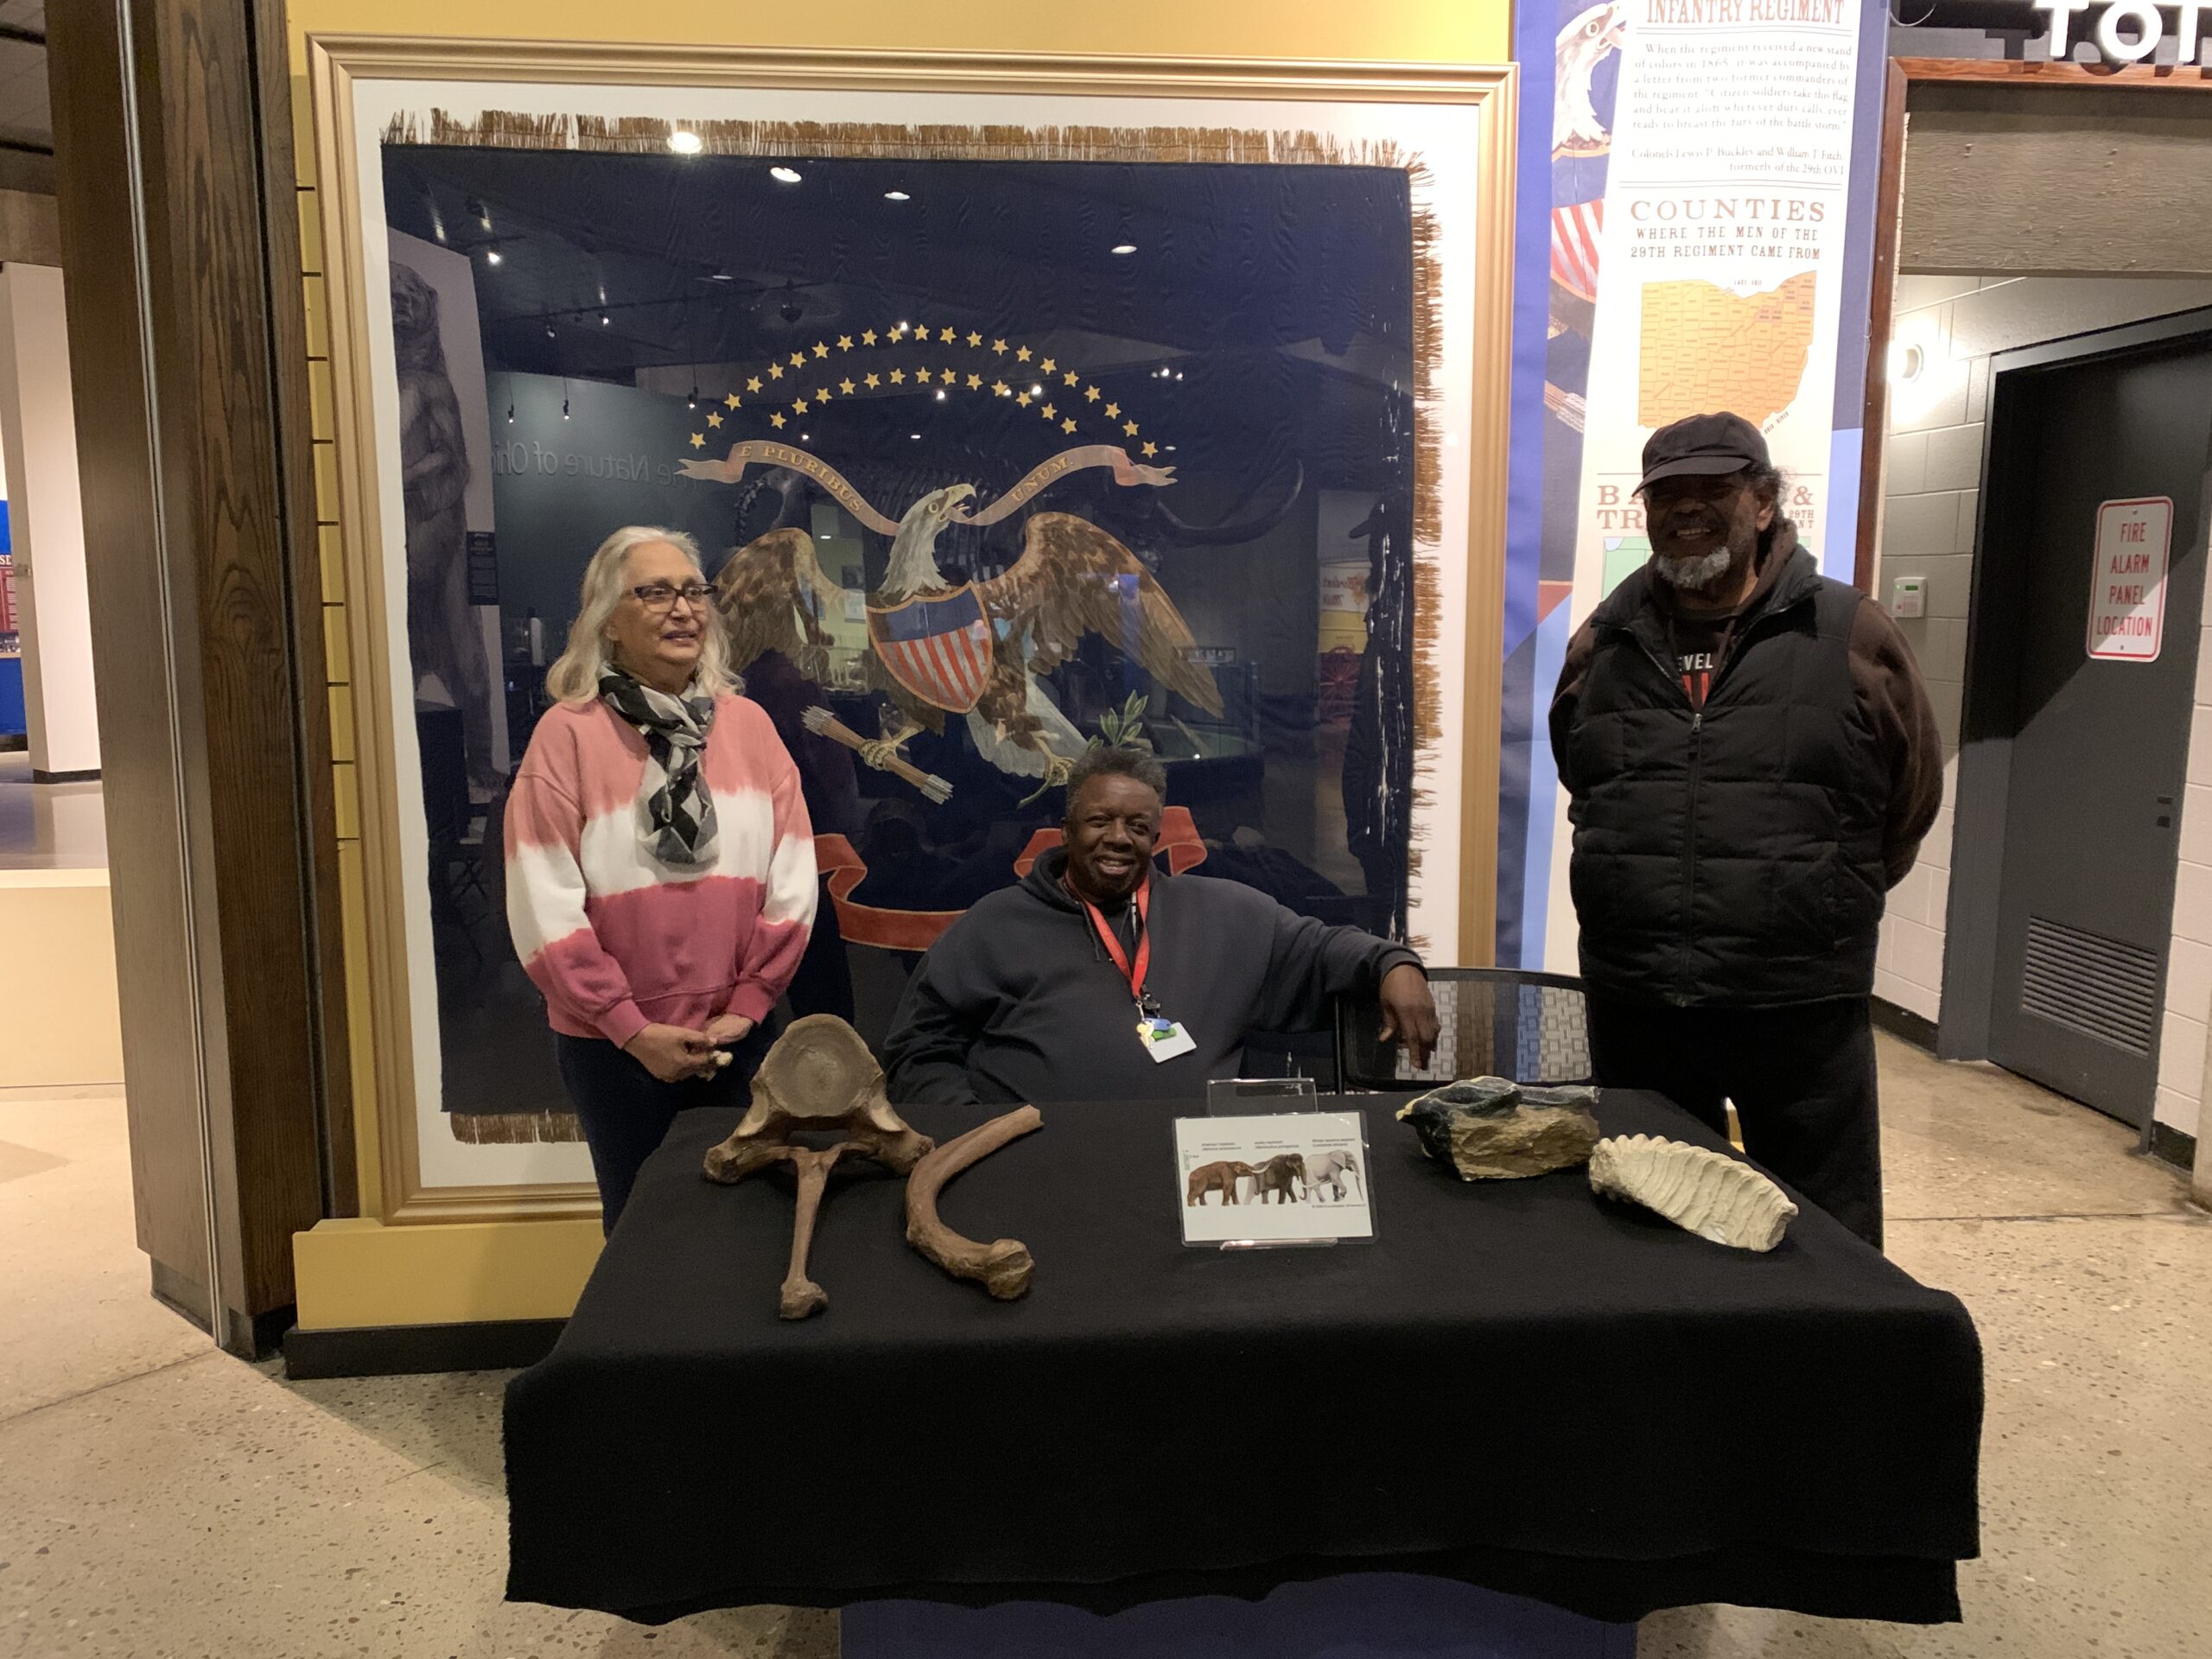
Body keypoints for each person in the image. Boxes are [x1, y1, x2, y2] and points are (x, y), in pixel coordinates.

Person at [1549, 411, 1942, 1248]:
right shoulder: (1602, 642)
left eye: (1713, 491)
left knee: (1825, 1234)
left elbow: (1906, 801)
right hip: (1640, 996)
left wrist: (1820, 897)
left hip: (1797, 1001)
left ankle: (1821, 1380)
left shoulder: (1848, 632)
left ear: (1763, 504)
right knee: (1646, 1225)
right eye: (1668, 494)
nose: (1687, 509)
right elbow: (1583, 779)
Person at [505, 526, 816, 1230]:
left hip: (741, 1035)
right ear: (608, 619)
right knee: (643, 1234)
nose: (684, 609)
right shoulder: (568, 735)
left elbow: (793, 875)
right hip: (614, 1048)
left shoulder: (751, 728)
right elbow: (541, 898)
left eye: (693, 590)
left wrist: (748, 1004)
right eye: (655, 593)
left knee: (747, 1229)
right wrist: (629, 1026)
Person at [881, 746, 1438, 1104]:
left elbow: (1321, 948)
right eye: (1100, 820)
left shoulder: (1223, 912)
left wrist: (1395, 963)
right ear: (1067, 829)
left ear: (1155, 836)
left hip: (1195, 1170)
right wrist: (977, 1130)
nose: (1119, 838)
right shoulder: (995, 924)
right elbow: (918, 1048)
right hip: (1040, 1172)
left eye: (1138, 826)